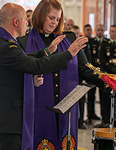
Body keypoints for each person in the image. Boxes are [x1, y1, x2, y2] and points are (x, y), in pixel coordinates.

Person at [0, 2, 88, 150]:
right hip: (9, 121)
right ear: (16, 22)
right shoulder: (7, 46)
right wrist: (68, 54)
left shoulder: (6, 43)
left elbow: (27, 60)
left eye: (57, 19)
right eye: (25, 20)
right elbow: (36, 65)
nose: (28, 23)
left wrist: (47, 51)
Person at [17, 0, 104, 150]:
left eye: (58, 19)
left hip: (66, 110)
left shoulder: (69, 39)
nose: (54, 23)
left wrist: (110, 82)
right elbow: (21, 73)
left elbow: (85, 70)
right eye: (51, 18)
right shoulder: (23, 42)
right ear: (40, 15)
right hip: (38, 111)